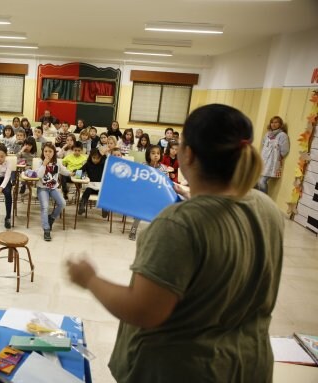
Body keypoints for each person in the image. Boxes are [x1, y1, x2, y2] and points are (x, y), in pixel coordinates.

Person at [67, 103, 283, 383]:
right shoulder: (266, 208)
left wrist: (90, 279)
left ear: (188, 155)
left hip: (185, 369)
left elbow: (143, 310)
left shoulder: (178, 224)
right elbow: (225, 219)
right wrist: (194, 196)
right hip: (249, 364)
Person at [37, 142, 70, 241]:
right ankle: (46, 229)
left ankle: (51, 218)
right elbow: (38, 175)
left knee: (62, 203)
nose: (47, 153)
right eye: (45, 151)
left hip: (53, 188)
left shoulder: (57, 162)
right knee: (45, 207)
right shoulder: (40, 162)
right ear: (43, 152)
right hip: (42, 188)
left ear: (54, 153)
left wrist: (71, 173)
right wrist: (44, 164)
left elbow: (64, 171)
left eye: (50, 151)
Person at [258, 116, 290, 194]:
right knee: (258, 182)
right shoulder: (267, 134)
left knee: (262, 181)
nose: (273, 124)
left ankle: (264, 202)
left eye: (276, 122)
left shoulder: (282, 135)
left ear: (280, 124)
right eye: (272, 122)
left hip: (273, 163)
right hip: (264, 160)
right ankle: (260, 200)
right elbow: (263, 144)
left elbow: (285, 150)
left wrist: (277, 157)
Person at [78, 149, 107, 217]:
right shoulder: (88, 164)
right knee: (87, 191)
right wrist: (83, 176)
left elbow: (107, 160)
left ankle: (105, 208)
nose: (95, 160)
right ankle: (82, 205)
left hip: (100, 186)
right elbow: (80, 171)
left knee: (104, 193)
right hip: (91, 186)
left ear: (101, 158)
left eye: (98, 158)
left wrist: (104, 155)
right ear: (90, 157)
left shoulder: (103, 164)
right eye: (94, 158)